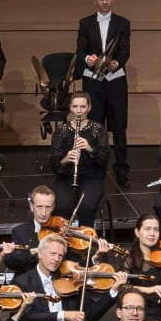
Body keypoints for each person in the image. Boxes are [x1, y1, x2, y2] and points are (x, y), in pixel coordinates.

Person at [77, 0, 135, 184]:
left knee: (119, 127)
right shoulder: (85, 23)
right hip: (93, 81)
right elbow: (80, 51)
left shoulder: (123, 23)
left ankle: (122, 172)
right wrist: (88, 59)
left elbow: (125, 50)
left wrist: (116, 63)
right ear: (95, 0)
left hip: (115, 81)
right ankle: (96, 169)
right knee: (94, 126)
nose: (104, 2)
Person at [51, 89, 112, 228]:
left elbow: (104, 159)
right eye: (75, 106)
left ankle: (85, 244)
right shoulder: (61, 131)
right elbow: (54, 163)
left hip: (91, 177)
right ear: (70, 108)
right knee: (61, 207)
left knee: (86, 207)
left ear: (89, 108)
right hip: (66, 178)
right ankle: (62, 244)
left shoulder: (98, 129)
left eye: (83, 107)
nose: (79, 111)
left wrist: (90, 149)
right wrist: (66, 158)